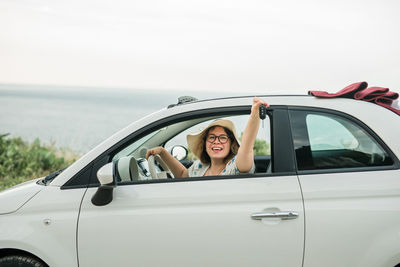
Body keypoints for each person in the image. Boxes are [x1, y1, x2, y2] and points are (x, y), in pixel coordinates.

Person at [146, 97, 269, 178]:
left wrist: (254, 115)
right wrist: (162, 153)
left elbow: (246, 147)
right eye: (211, 137)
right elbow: (183, 175)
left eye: (222, 138)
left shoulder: (236, 166)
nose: (216, 142)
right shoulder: (200, 167)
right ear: (205, 143)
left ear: (231, 143)